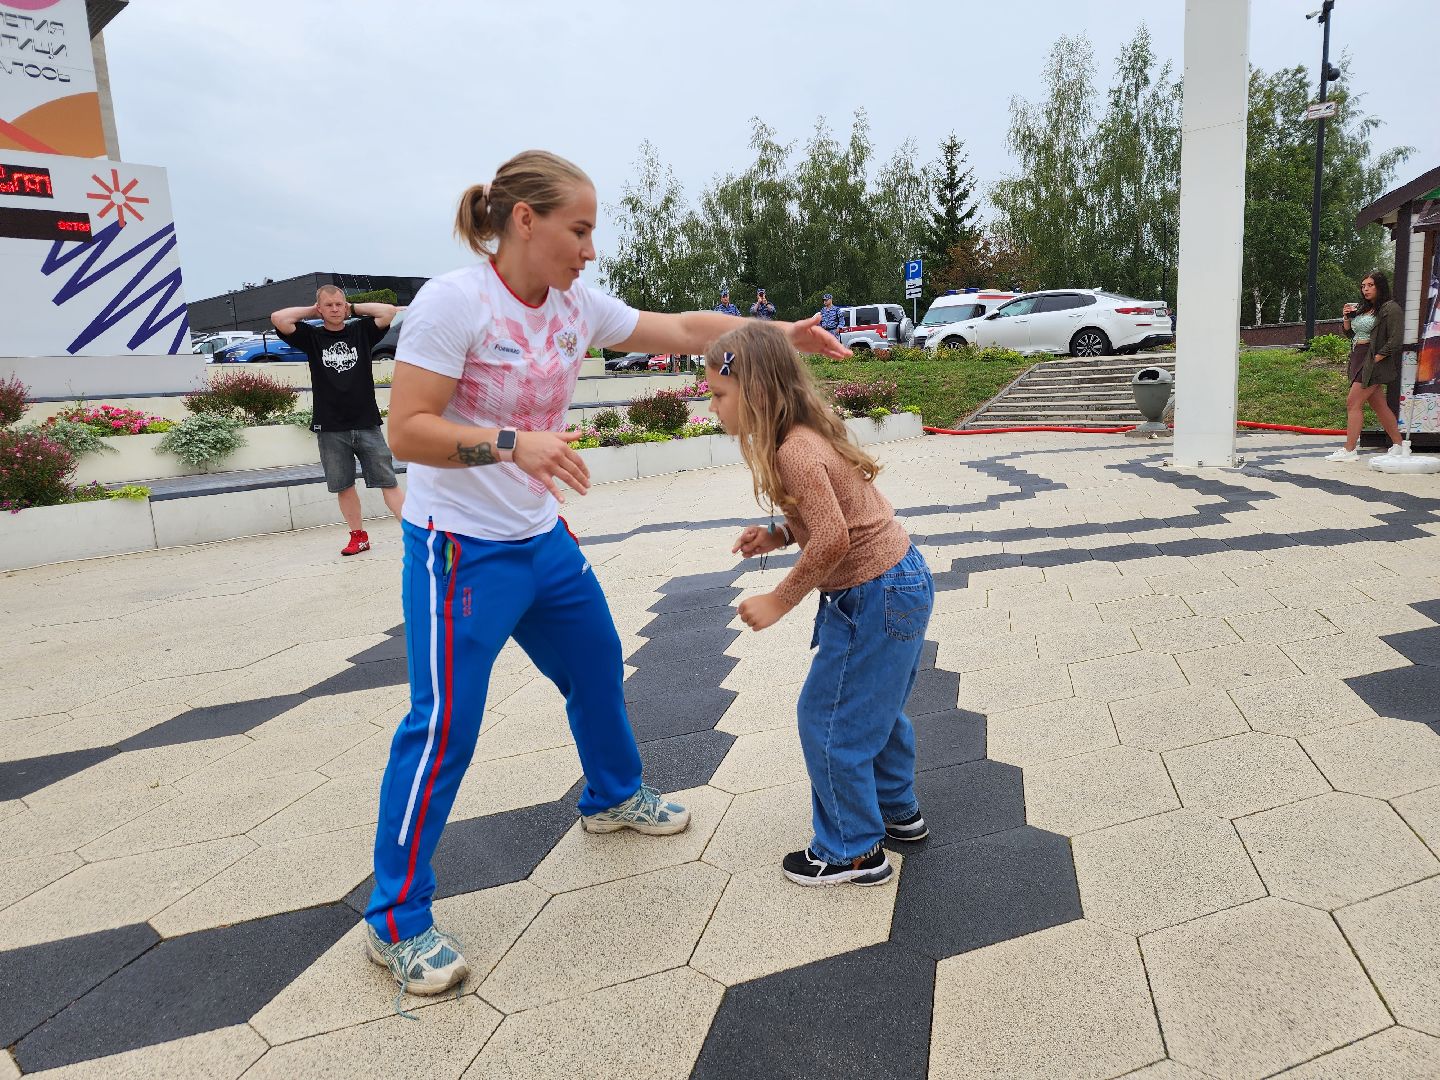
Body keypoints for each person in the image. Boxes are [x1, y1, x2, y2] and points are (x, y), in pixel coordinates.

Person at [364, 150, 849, 994]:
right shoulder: (454, 302)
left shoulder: (575, 305)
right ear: (525, 221)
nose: (590, 250)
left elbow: (686, 330)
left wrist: (778, 335)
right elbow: (406, 430)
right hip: (459, 548)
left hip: (540, 537)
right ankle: (395, 918)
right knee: (443, 728)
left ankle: (613, 797)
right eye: (579, 230)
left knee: (597, 666)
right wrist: (512, 444)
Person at [705, 321, 933, 888]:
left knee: (827, 719)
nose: (711, 407)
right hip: (899, 579)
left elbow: (833, 540)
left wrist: (779, 600)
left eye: (719, 394)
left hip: (871, 594)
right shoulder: (805, 434)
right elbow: (832, 515)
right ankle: (896, 811)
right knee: (873, 709)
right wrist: (780, 534)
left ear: (756, 394)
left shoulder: (794, 451)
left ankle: (852, 850)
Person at [271, 288, 404, 554]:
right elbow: (279, 318)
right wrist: (313, 311)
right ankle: (358, 537)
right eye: (328, 305)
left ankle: (416, 536)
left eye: (338, 304)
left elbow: (388, 312)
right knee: (344, 486)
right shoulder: (311, 337)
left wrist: (352, 308)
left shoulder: (361, 331)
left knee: (388, 481)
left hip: (366, 422)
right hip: (330, 426)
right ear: (319, 308)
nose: (334, 309)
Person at [1327, 271, 1405, 462]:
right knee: (1379, 405)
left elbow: (1395, 339)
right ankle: (1399, 445)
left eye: (1370, 285)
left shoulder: (1390, 308)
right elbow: (1351, 334)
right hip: (1358, 356)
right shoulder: (1365, 308)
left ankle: (1350, 450)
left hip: (1372, 360)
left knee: (1353, 403)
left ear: (1380, 286)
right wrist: (1346, 318)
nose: (1366, 289)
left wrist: (1377, 358)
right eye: (1363, 286)